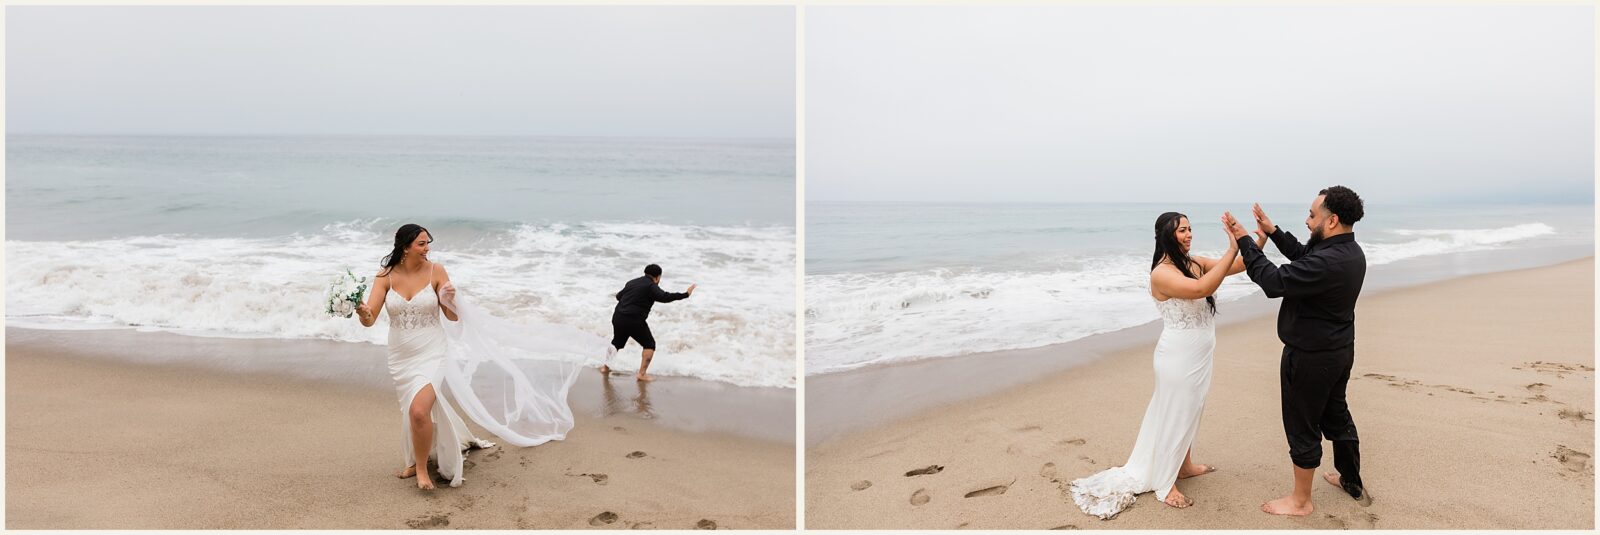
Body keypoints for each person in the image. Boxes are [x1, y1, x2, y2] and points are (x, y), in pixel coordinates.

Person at [1069, 212, 1264, 519]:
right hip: (1177, 357)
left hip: (1199, 355)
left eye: (1190, 229)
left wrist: (1254, 240)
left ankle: (1184, 466)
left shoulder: (1194, 263)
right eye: (1182, 231)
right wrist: (1231, 248)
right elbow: (1202, 289)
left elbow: (1237, 267)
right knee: (1176, 411)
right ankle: (1166, 482)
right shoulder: (1161, 273)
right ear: (1166, 236)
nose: (1189, 235)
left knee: (1191, 409)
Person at [1222, 185, 1371, 516]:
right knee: (1336, 414)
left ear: (1331, 221)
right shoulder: (1350, 252)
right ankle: (1351, 479)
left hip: (1310, 357)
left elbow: (1274, 282)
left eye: (1312, 214)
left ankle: (1301, 502)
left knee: (1302, 424)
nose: (1307, 220)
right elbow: (1305, 257)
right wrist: (1272, 232)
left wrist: (1246, 240)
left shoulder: (1328, 261)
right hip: (1339, 350)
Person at [356, 224, 490, 490]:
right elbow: (370, 319)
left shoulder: (436, 271)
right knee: (411, 409)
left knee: (419, 410)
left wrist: (450, 300)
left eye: (428, 243)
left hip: (432, 349)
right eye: (421, 243)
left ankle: (420, 470)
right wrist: (361, 312)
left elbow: (452, 317)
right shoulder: (385, 276)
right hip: (400, 354)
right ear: (405, 247)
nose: (427, 248)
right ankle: (413, 460)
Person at [601, 264, 695, 382]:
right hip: (634, 320)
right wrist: (686, 294)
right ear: (657, 277)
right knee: (649, 344)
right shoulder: (651, 286)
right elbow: (665, 297)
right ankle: (642, 374)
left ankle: (605, 367)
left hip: (618, 317)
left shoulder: (632, 282)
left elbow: (619, 296)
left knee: (617, 342)